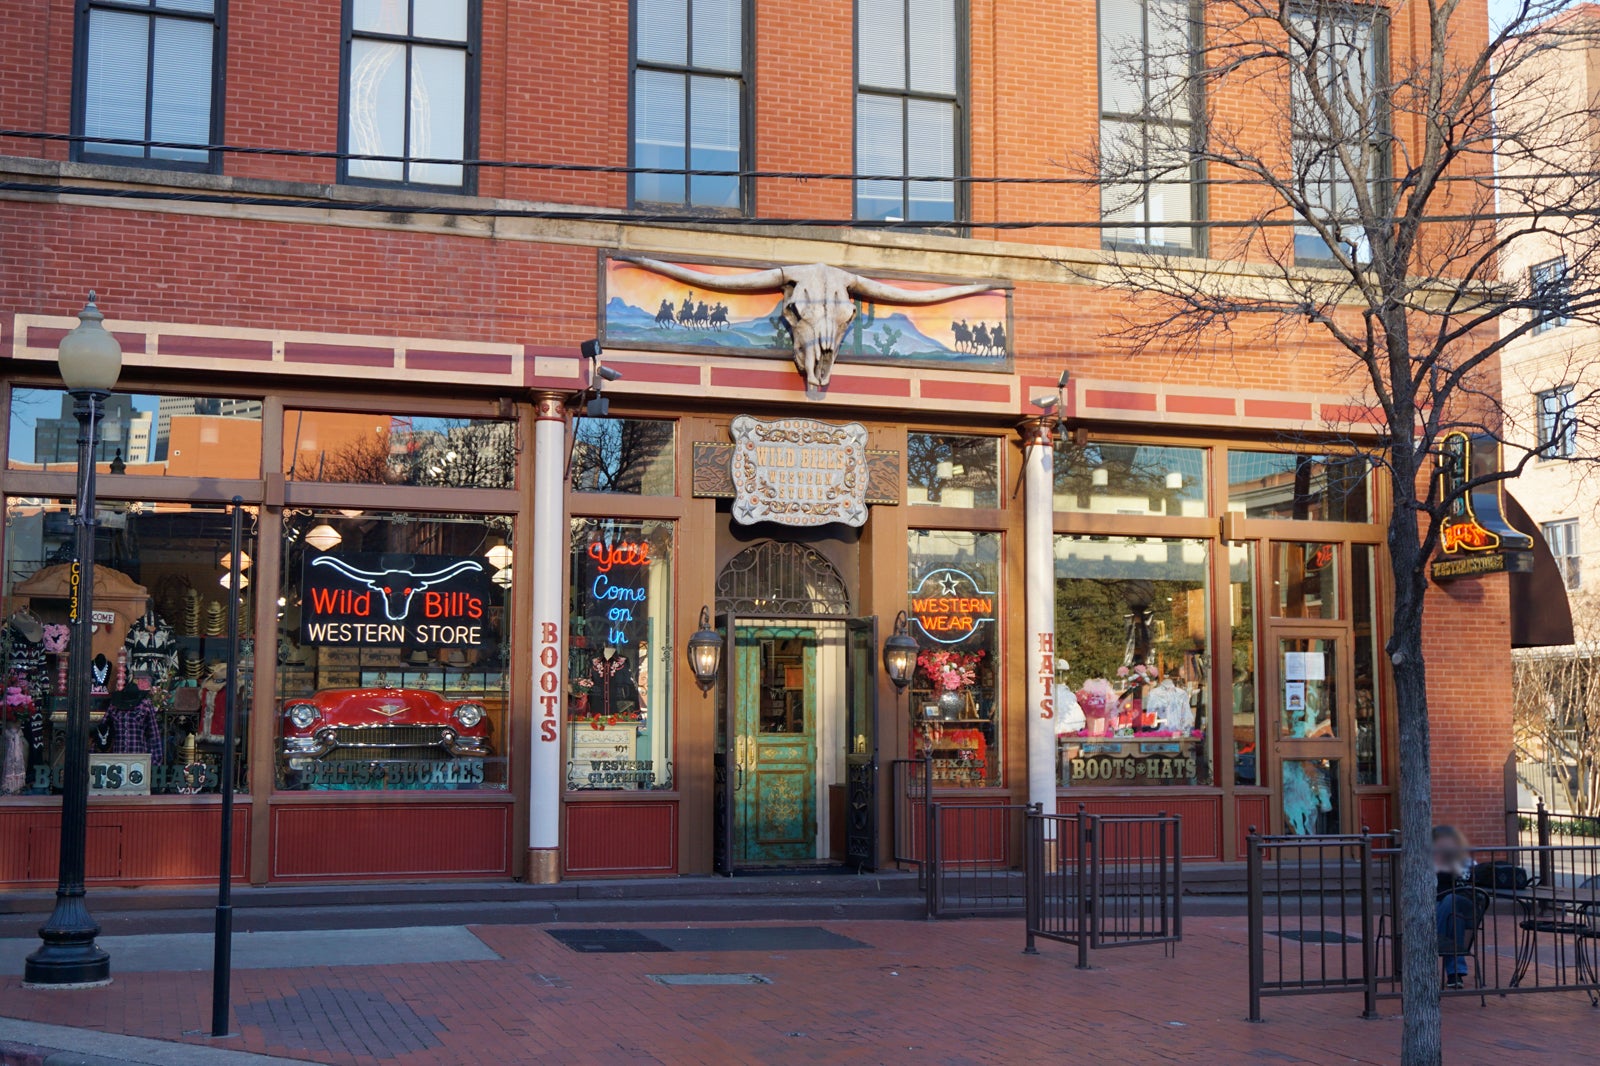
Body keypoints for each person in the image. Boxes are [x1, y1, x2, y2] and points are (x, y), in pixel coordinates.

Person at [1434, 825, 1477, 989]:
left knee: (1451, 901)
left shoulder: (1467, 862)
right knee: (1453, 919)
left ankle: (1437, 941)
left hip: (1464, 905)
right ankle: (1455, 974)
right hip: (1449, 912)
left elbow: (1473, 887)